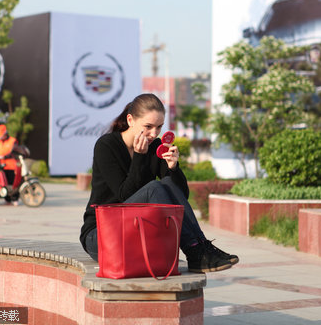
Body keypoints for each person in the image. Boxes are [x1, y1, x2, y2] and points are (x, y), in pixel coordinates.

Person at [80, 93, 238, 273]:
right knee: (155, 186)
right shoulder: (106, 146)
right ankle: (196, 251)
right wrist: (139, 157)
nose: (154, 134)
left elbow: (179, 198)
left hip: (136, 230)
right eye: (148, 127)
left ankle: (200, 247)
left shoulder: (155, 147)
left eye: (159, 127)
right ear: (130, 120)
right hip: (102, 235)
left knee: (167, 183)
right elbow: (124, 195)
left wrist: (173, 168)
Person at [0, 124, 21, 204]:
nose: (0, 138)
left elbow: (14, 151)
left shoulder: (12, 140)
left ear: (5, 133)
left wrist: (5, 156)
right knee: (3, 183)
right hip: (1, 166)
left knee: (13, 183)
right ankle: (7, 199)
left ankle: (15, 198)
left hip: (12, 166)